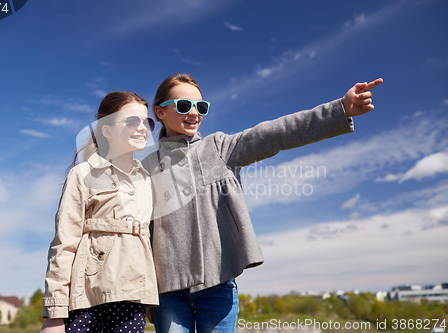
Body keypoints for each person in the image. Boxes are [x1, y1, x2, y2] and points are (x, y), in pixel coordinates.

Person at [142, 73, 383, 333]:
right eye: (183, 105)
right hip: (168, 293)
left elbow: (275, 133)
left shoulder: (220, 148)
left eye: (201, 107)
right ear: (160, 112)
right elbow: (140, 233)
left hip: (218, 287)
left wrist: (339, 109)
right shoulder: (145, 169)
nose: (193, 113)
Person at [40, 91, 159, 333]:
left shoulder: (148, 181)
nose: (142, 128)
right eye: (132, 121)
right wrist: (55, 313)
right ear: (107, 130)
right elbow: (64, 244)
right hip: (87, 296)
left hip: (132, 298)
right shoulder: (82, 174)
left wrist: (153, 302)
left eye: (147, 122)